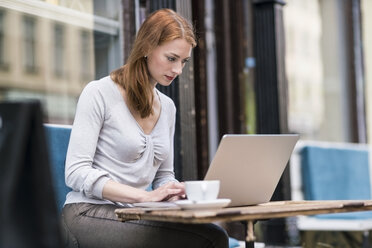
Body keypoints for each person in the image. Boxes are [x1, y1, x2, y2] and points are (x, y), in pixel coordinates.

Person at [61, 8, 229, 248]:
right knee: (211, 238)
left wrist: (172, 192)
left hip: (136, 214)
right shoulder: (98, 93)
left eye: (183, 61)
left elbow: (163, 175)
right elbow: (75, 172)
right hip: (86, 213)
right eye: (171, 58)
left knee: (210, 231)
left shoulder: (168, 107)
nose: (178, 70)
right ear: (147, 48)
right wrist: (145, 197)